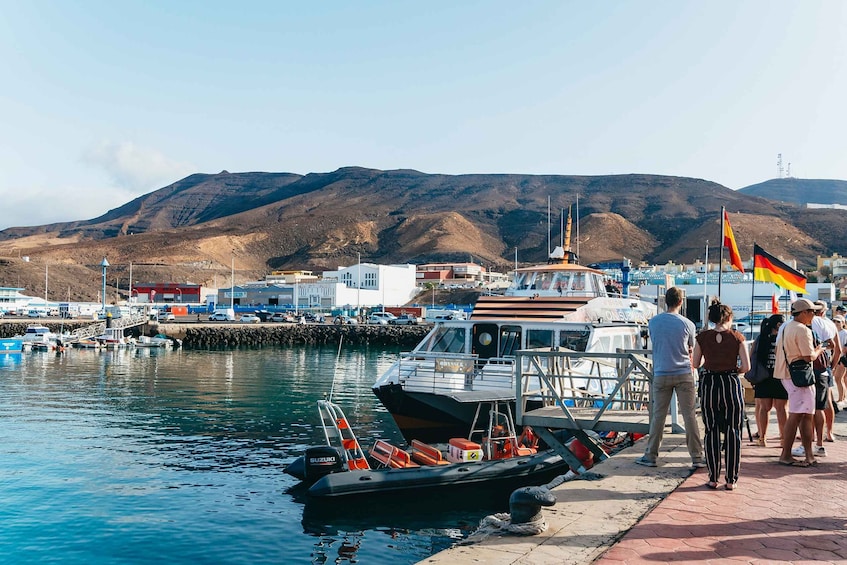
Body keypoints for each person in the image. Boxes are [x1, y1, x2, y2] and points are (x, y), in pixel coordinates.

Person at [635, 287, 705, 469]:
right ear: (681, 302)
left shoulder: (654, 322)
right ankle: (697, 456)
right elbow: (692, 347)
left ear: (665, 301)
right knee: (689, 415)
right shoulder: (688, 324)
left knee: (658, 416)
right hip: (683, 373)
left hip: (661, 373)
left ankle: (650, 456)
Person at [692, 299, 750, 490]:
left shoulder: (702, 337)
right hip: (730, 384)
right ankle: (731, 479)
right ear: (729, 318)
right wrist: (733, 370)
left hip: (709, 385)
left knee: (711, 430)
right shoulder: (737, 337)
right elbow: (746, 367)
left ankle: (713, 477)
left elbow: (695, 364)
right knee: (733, 431)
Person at [774, 298, 827, 467]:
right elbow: (808, 356)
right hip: (799, 377)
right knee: (799, 414)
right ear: (804, 313)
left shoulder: (786, 327)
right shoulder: (803, 330)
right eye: (812, 312)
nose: (814, 315)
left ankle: (807, 454)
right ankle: (787, 454)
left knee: (804, 414)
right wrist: (819, 350)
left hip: (788, 375)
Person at [752, 314, 787, 447]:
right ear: (778, 325)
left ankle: (762, 438)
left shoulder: (761, 338)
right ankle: (784, 439)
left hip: (763, 377)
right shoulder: (783, 338)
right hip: (780, 376)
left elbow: (752, 356)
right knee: (781, 409)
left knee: (764, 408)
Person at [833, 315, 847, 405]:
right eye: (834, 321)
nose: (836, 323)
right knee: (839, 379)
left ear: (843, 323)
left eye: (838, 322)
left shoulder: (845, 333)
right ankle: (843, 397)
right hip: (837, 357)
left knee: (839, 378)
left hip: (842, 358)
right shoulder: (834, 332)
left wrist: (842, 357)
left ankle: (841, 398)